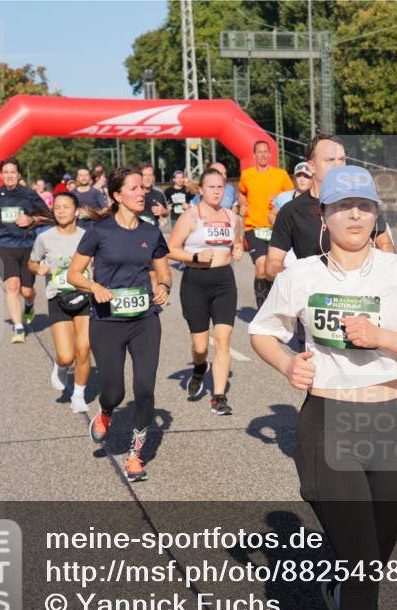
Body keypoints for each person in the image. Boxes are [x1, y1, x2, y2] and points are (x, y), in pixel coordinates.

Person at [250, 166, 397, 610]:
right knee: (362, 565)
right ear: (324, 215)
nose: (355, 214)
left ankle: (341, 596)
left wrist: (380, 336)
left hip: (392, 422)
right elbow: (262, 331)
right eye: (343, 206)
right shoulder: (300, 275)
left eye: (364, 205)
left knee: (372, 560)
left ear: (376, 214)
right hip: (328, 423)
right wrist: (287, 364)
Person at [66, 168, 172, 482]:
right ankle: (107, 412)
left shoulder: (151, 232)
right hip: (107, 321)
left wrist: (163, 286)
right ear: (117, 195)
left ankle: (135, 456)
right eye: (134, 188)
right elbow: (73, 274)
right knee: (113, 390)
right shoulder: (99, 231)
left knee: (145, 391)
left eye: (143, 188)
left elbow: (164, 273)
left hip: (144, 320)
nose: (142, 193)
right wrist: (93, 287)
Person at [167, 167, 245, 415]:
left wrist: (238, 249)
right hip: (196, 281)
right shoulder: (191, 216)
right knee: (200, 347)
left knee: (223, 341)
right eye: (211, 187)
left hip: (224, 282)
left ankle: (219, 397)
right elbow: (170, 249)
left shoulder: (232, 218)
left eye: (220, 187)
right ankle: (200, 368)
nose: (216, 191)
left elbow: (239, 239)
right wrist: (196, 256)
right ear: (201, 190)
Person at [266, 135, 395, 282]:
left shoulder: (361, 202)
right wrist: (295, 281)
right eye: (330, 160)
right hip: (316, 297)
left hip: (361, 294)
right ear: (311, 166)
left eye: (342, 159)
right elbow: (272, 264)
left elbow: (385, 244)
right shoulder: (291, 210)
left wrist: (384, 275)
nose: (338, 165)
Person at [28, 192, 93, 414]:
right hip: (58, 297)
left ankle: (79, 394)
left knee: (84, 348)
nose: (61, 211)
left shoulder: (88, 236)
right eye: (57, 208)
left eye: (66, 207)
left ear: (76, 211)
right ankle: (61, 366)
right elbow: (32, 262)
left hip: (85, 296)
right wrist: (39, 269)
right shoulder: (44, 238)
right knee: (67, 355)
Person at [0, 157, 52, 343]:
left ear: (18, 175)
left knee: (27, 290)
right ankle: (18, 327)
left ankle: (29, 304)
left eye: (13, 172)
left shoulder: (29, 194)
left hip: (28, 245)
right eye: (6, 172)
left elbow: (48, 216)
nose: (9, 176)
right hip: (5, 245)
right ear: (1, 175)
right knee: (12, 286)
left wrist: (31, 220)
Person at [238, 141, 294, 308]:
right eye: (259, 152)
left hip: (276, 229)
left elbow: (292, 196)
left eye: (265, 152)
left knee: (274, 270)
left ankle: (275, 305)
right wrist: (242, 204)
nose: (262, 155)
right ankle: (262, 310)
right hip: (254, 228)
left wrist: (279, 196)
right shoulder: (247, 175)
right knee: (262, 267)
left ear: (270, 155)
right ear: (254, 155)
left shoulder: (281, 174)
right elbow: (242, 193)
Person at [138, 163, 169, 227]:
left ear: (153, 177)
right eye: (145, 175)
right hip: (135, 233)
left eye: (150, 175)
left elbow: (167, 212)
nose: (147, 178)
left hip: (153, 233)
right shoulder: (133, 192)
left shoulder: (159, 193)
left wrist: (163, 211)